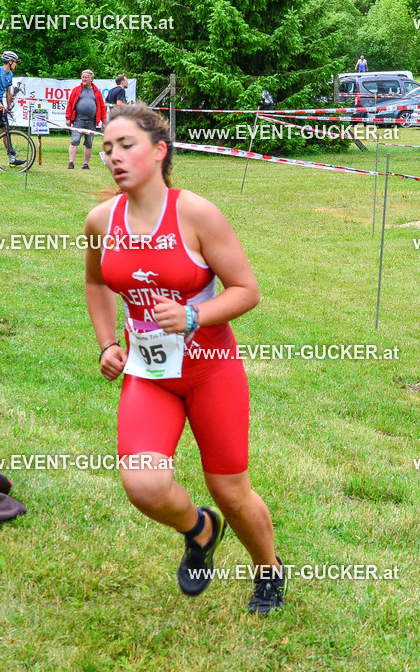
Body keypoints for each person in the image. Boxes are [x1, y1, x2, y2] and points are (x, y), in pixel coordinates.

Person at [83, 102, 286, 614]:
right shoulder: (101, 221)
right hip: (149, 373)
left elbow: (247, 290)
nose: (114, 156)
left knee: (231, 491)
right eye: (107, 148)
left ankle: (268, 569)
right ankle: (200, 530)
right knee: (144, 485)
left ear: (159, 151)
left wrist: (195, 317)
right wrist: (108, 342)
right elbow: (94, 281)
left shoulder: (195, 213)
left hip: (209, 369)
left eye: (126, 145)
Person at [65, 69, 107, 169]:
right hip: (78, 120)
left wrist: (103, 121)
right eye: (82, 77)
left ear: (91, 79)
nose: (83, 79)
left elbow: (102, 107)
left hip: (92, 121)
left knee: (89, 143)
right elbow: (70, 104)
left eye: (86, 77)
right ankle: (71, 162)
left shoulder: (96, 92)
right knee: (74, 140)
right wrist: (68, 119)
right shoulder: (76, 90)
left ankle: (85, 164)